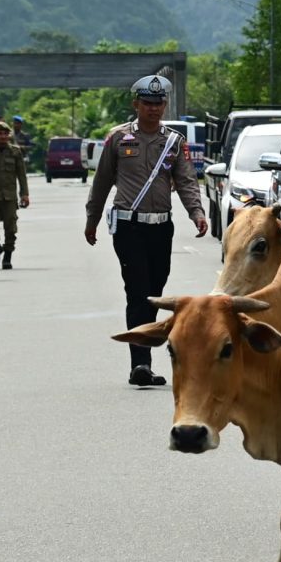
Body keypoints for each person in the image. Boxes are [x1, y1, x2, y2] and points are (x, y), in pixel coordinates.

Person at [84, 73, 208, 387]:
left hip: (160, 227)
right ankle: (140, 363)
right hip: (128, 227)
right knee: (137, 292)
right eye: (148, 103)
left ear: (164, 105)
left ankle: (144, 355)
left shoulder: (173, 142)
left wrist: (197, 213)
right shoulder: (117, 138)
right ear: (136, 104)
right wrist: (92, 219)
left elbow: (186, 182)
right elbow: (101, 183)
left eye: (159, 103)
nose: (153, 109)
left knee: (154, 291)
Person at [0, 119, 32, 268]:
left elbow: (21, 175)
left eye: (5, 134)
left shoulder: (15, 152)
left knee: (10, 227)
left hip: (9, 195)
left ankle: (7, 255)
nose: (2, 137)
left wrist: (25, 194)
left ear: (8, 135)